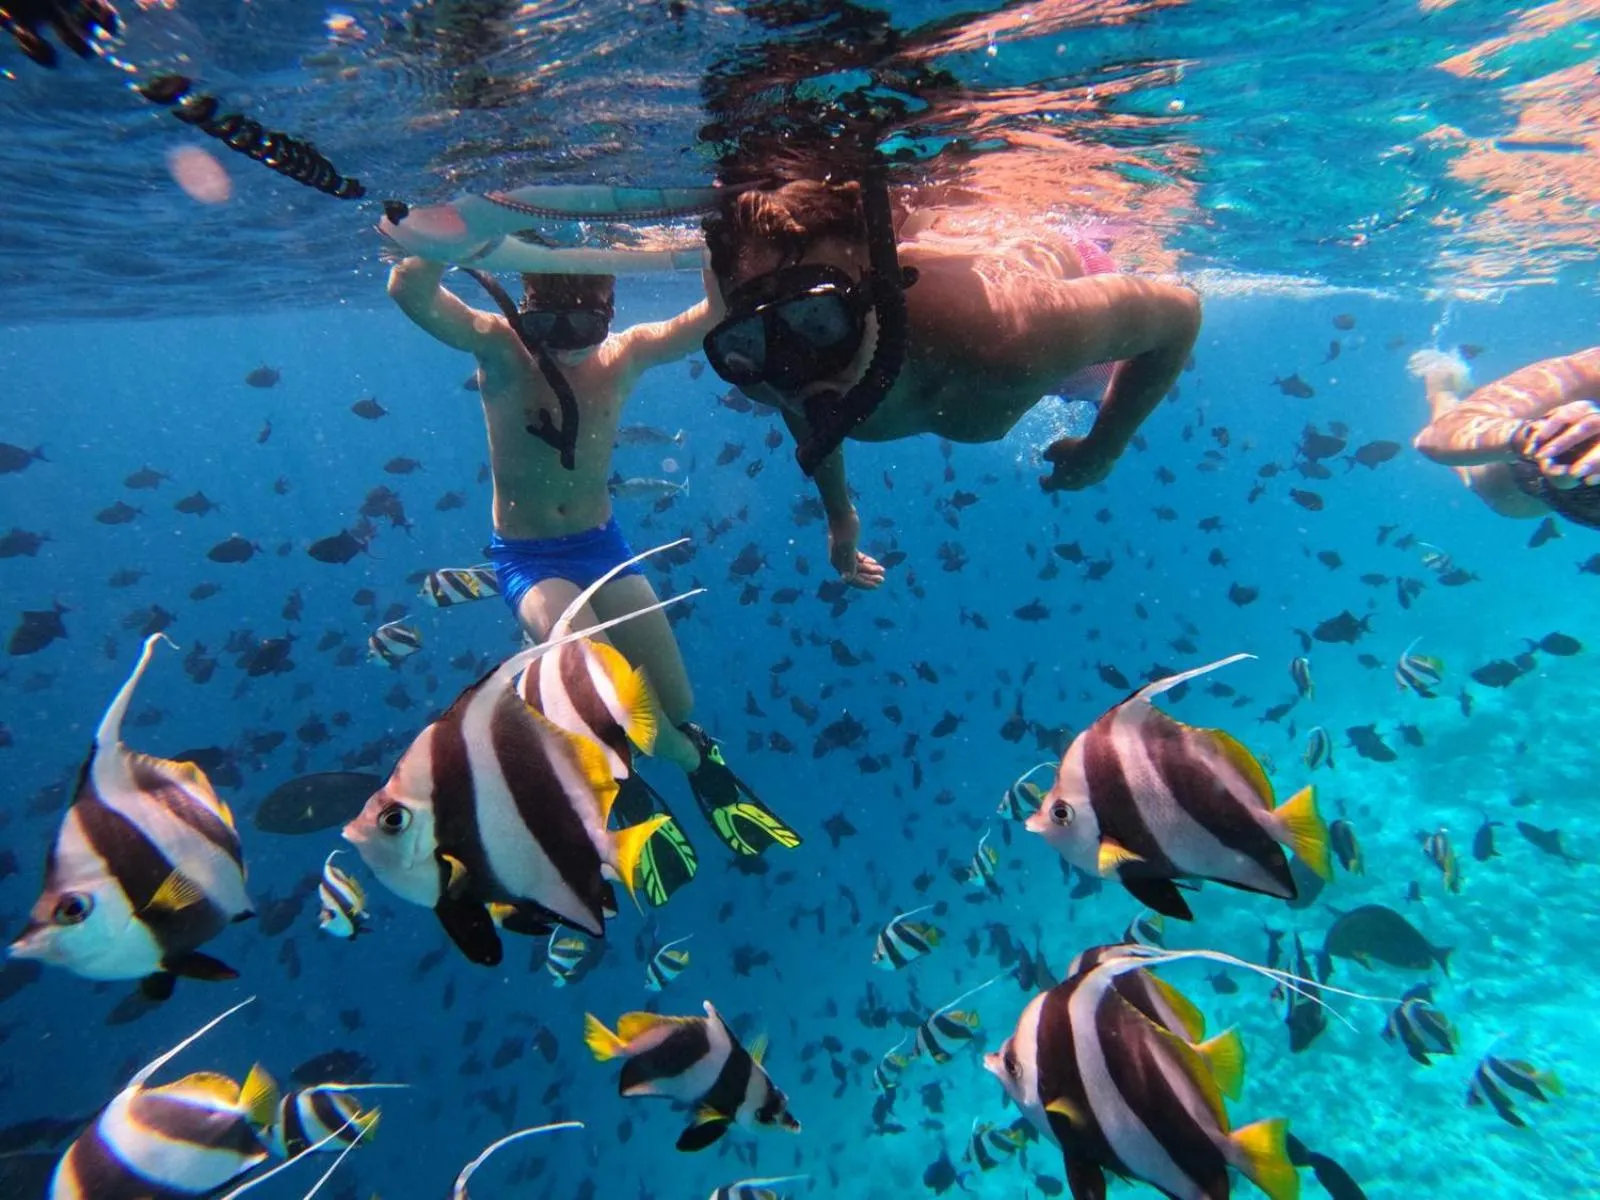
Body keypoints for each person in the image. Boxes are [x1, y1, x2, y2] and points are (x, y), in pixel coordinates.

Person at [386, 256, 800, 900]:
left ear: (607, 317)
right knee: (592, 674)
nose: (566, 344)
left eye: (583, 327)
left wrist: (717, 246)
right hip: (529, 560)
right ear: (524, 316)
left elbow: (715, 317)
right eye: (547, 327)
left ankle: (689, 760)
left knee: (676, 706)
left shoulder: (625, 354)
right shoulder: (500, 349)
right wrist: (456, 236)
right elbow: (409, 289)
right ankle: (640, 776)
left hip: (604, 549)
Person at [699, 175, 1203, 587]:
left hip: (1060, 292)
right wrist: (840, 516)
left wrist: (1104, 447)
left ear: (878, 285)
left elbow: (1180, 314)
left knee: (1099, 384)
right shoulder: (766, 373)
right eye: (757, 340)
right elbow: (806, 411)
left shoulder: (1014, 327)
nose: (798, 371)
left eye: (818, 321)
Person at [1411, 345, 1600, 525]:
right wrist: (1539, 436)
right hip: (1523, 491)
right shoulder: (1590, 367)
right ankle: (1442, 389)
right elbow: (1434, 437)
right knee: (1479, 473)